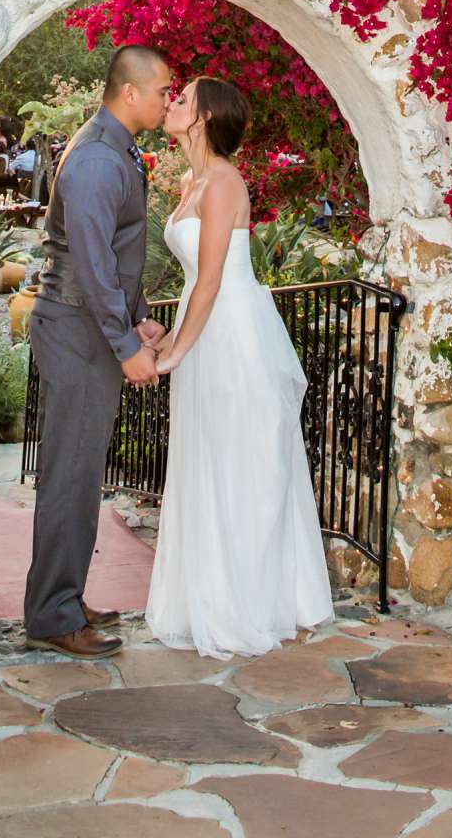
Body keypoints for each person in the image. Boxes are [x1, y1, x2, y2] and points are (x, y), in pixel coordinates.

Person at [145, 75, 334, 658]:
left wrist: (176, 351)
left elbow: (211, 279)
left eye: (183, 99)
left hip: (235, 336)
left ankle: (254, 602)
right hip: (208, 328)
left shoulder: (225, 182)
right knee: (207, 458)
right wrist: (170, 335)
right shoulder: (188, 181)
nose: (172, 102)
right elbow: (193, 286)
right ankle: (206, 594)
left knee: (245, 462)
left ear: (203, 118)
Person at [22, 46, 175, 658]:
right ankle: (55, 616)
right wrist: (122, 344)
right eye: (164, 89)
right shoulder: (93, 159)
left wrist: (134, 319)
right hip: (77, 328)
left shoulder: (115, 149)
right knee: (71, 473)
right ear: (131, 93)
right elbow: (89, 265)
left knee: (81, 473)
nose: (169, 99)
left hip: (91, 324)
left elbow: (110, 255)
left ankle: (61, 597)